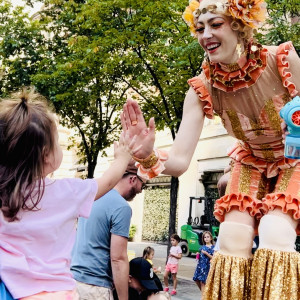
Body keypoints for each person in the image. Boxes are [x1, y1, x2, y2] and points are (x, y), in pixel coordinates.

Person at [121, 0, 300, 298]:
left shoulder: (282, 59)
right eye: (200, 28)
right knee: (231, 237)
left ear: (240, 26)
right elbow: (178, 161)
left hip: (294, 160)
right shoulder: (201, 88)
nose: (206, 35)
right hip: (251, 161)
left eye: (216, 25)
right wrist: (146, 154)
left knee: (275, 231)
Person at [0, 88, 138, 300]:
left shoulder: (4, 193)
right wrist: (122, 155)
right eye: (58, 142)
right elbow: (108, 181)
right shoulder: (66, 192)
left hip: (9, 290)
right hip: (56, 292)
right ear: (47, 156)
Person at [71, 161, 145, 300]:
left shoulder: (92, 196)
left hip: (73, 282)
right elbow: (118, 258)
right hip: (96, 288)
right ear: (133, 179)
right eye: (143, 185)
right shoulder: (122, 207)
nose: (141, 190)